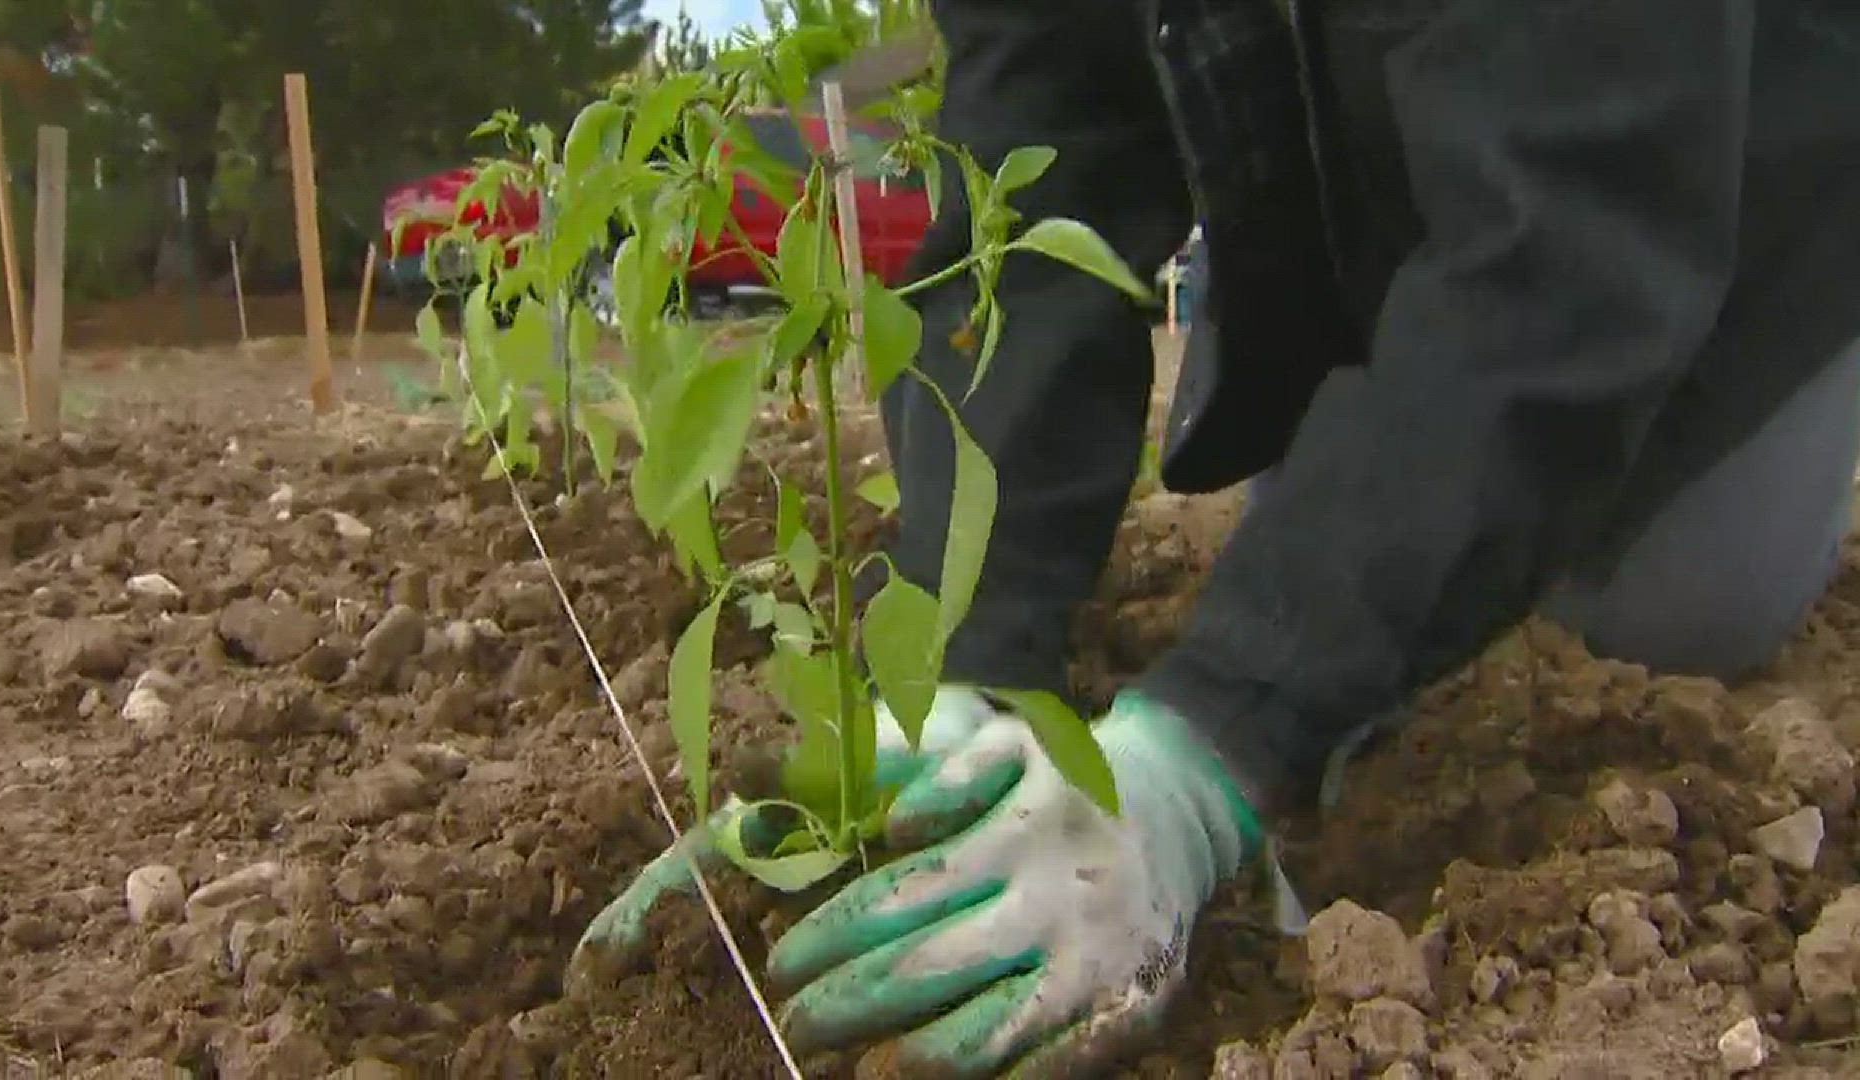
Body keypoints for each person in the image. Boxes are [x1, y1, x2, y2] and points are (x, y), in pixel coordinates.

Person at [581, 1, 1860, 1075]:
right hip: (1376, 192)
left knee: (1655, 607)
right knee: (1339, 535)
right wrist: (966, 640)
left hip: (1723, 186)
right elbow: (1043, 151)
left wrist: (1220, 739)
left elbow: (1579, 254)